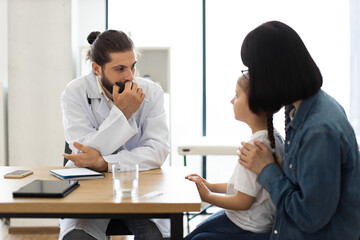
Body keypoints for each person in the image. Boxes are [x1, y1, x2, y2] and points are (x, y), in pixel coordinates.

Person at [237, 21, 360, 240]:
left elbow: (309, 216)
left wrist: (267, 169)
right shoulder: (302, 108)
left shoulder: (319, 131)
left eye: (252, 71)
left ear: (271, 73)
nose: (251, 79)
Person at [59, 30, 170, 240]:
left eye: (133, 66)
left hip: (139, 187)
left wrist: (105, 163)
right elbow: (83, 153)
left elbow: (157, 151)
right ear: (96, 68)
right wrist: (123, 113)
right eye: (120, 69)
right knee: (77, 237)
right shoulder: (75, 92)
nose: (129, 76)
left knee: (154, 236)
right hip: (89, 187)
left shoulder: (151, 92)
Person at [184, 72, 285, 240]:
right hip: (252, 221)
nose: (232, 100)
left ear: (255, 104)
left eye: (237, 95)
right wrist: (210, 186)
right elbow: (246, 187)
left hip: (246, 225)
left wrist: (208, 196)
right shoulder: (273, 138)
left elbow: (243, 201)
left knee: (195, 237)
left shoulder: (255, 148)